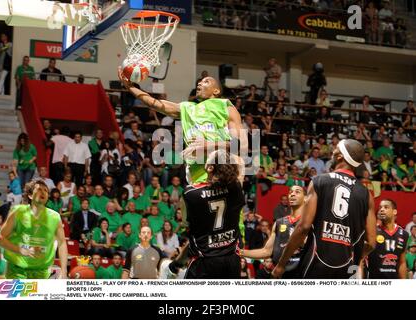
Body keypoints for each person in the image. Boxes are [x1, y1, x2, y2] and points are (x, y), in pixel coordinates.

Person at [118, 70, 247, 185]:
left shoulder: (225, 106)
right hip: (197, 175)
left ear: (216, 91)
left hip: (222, 174)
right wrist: (130, 87)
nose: (200, 84)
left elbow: (239, 146)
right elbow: (154, 103)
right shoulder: (187, 107)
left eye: (206, 82)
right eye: (199, 82)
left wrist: (208, 145)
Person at [273, 139, 377, 279]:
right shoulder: (366, 194)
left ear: (340, 156)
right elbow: (371, 242)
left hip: (315, 263)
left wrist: (281, 264)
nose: (332, 152)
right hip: (347, 269)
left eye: (335, 149)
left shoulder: (319, 181)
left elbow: (303, 227)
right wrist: (355, 258)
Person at [183, 150, 245, 279]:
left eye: (210, 155)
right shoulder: (236, 188)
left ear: (210, 167)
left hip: (205, 261)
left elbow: (185, 222)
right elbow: (240, 162)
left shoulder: (191, 194)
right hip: (232, 261)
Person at [0, 180, 67, 279]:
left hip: (41, 272)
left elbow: (62, 243)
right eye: (39, 189)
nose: (43, 192)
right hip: (17, 270)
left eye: (46, 190)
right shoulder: (18, 212)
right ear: (30, 195)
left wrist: (64, 270)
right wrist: (21, 250)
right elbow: (0, 239)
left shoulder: (55, 217)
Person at [242, 186, 305, 278]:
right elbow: (266, 251)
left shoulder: (311, 222)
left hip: (303, 275)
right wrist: (241, 252)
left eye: (297, 192)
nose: (292, 194)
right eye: (290, 192)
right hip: (280, 275)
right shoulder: (279, 222)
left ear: (306, 198)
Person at [366, 199, 409, 279]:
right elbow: (362, 258)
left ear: (394, 212)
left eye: (386, 207)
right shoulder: (372, 231)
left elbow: (402, 262)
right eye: (380, 207)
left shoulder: (404, 234)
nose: (381, 209)